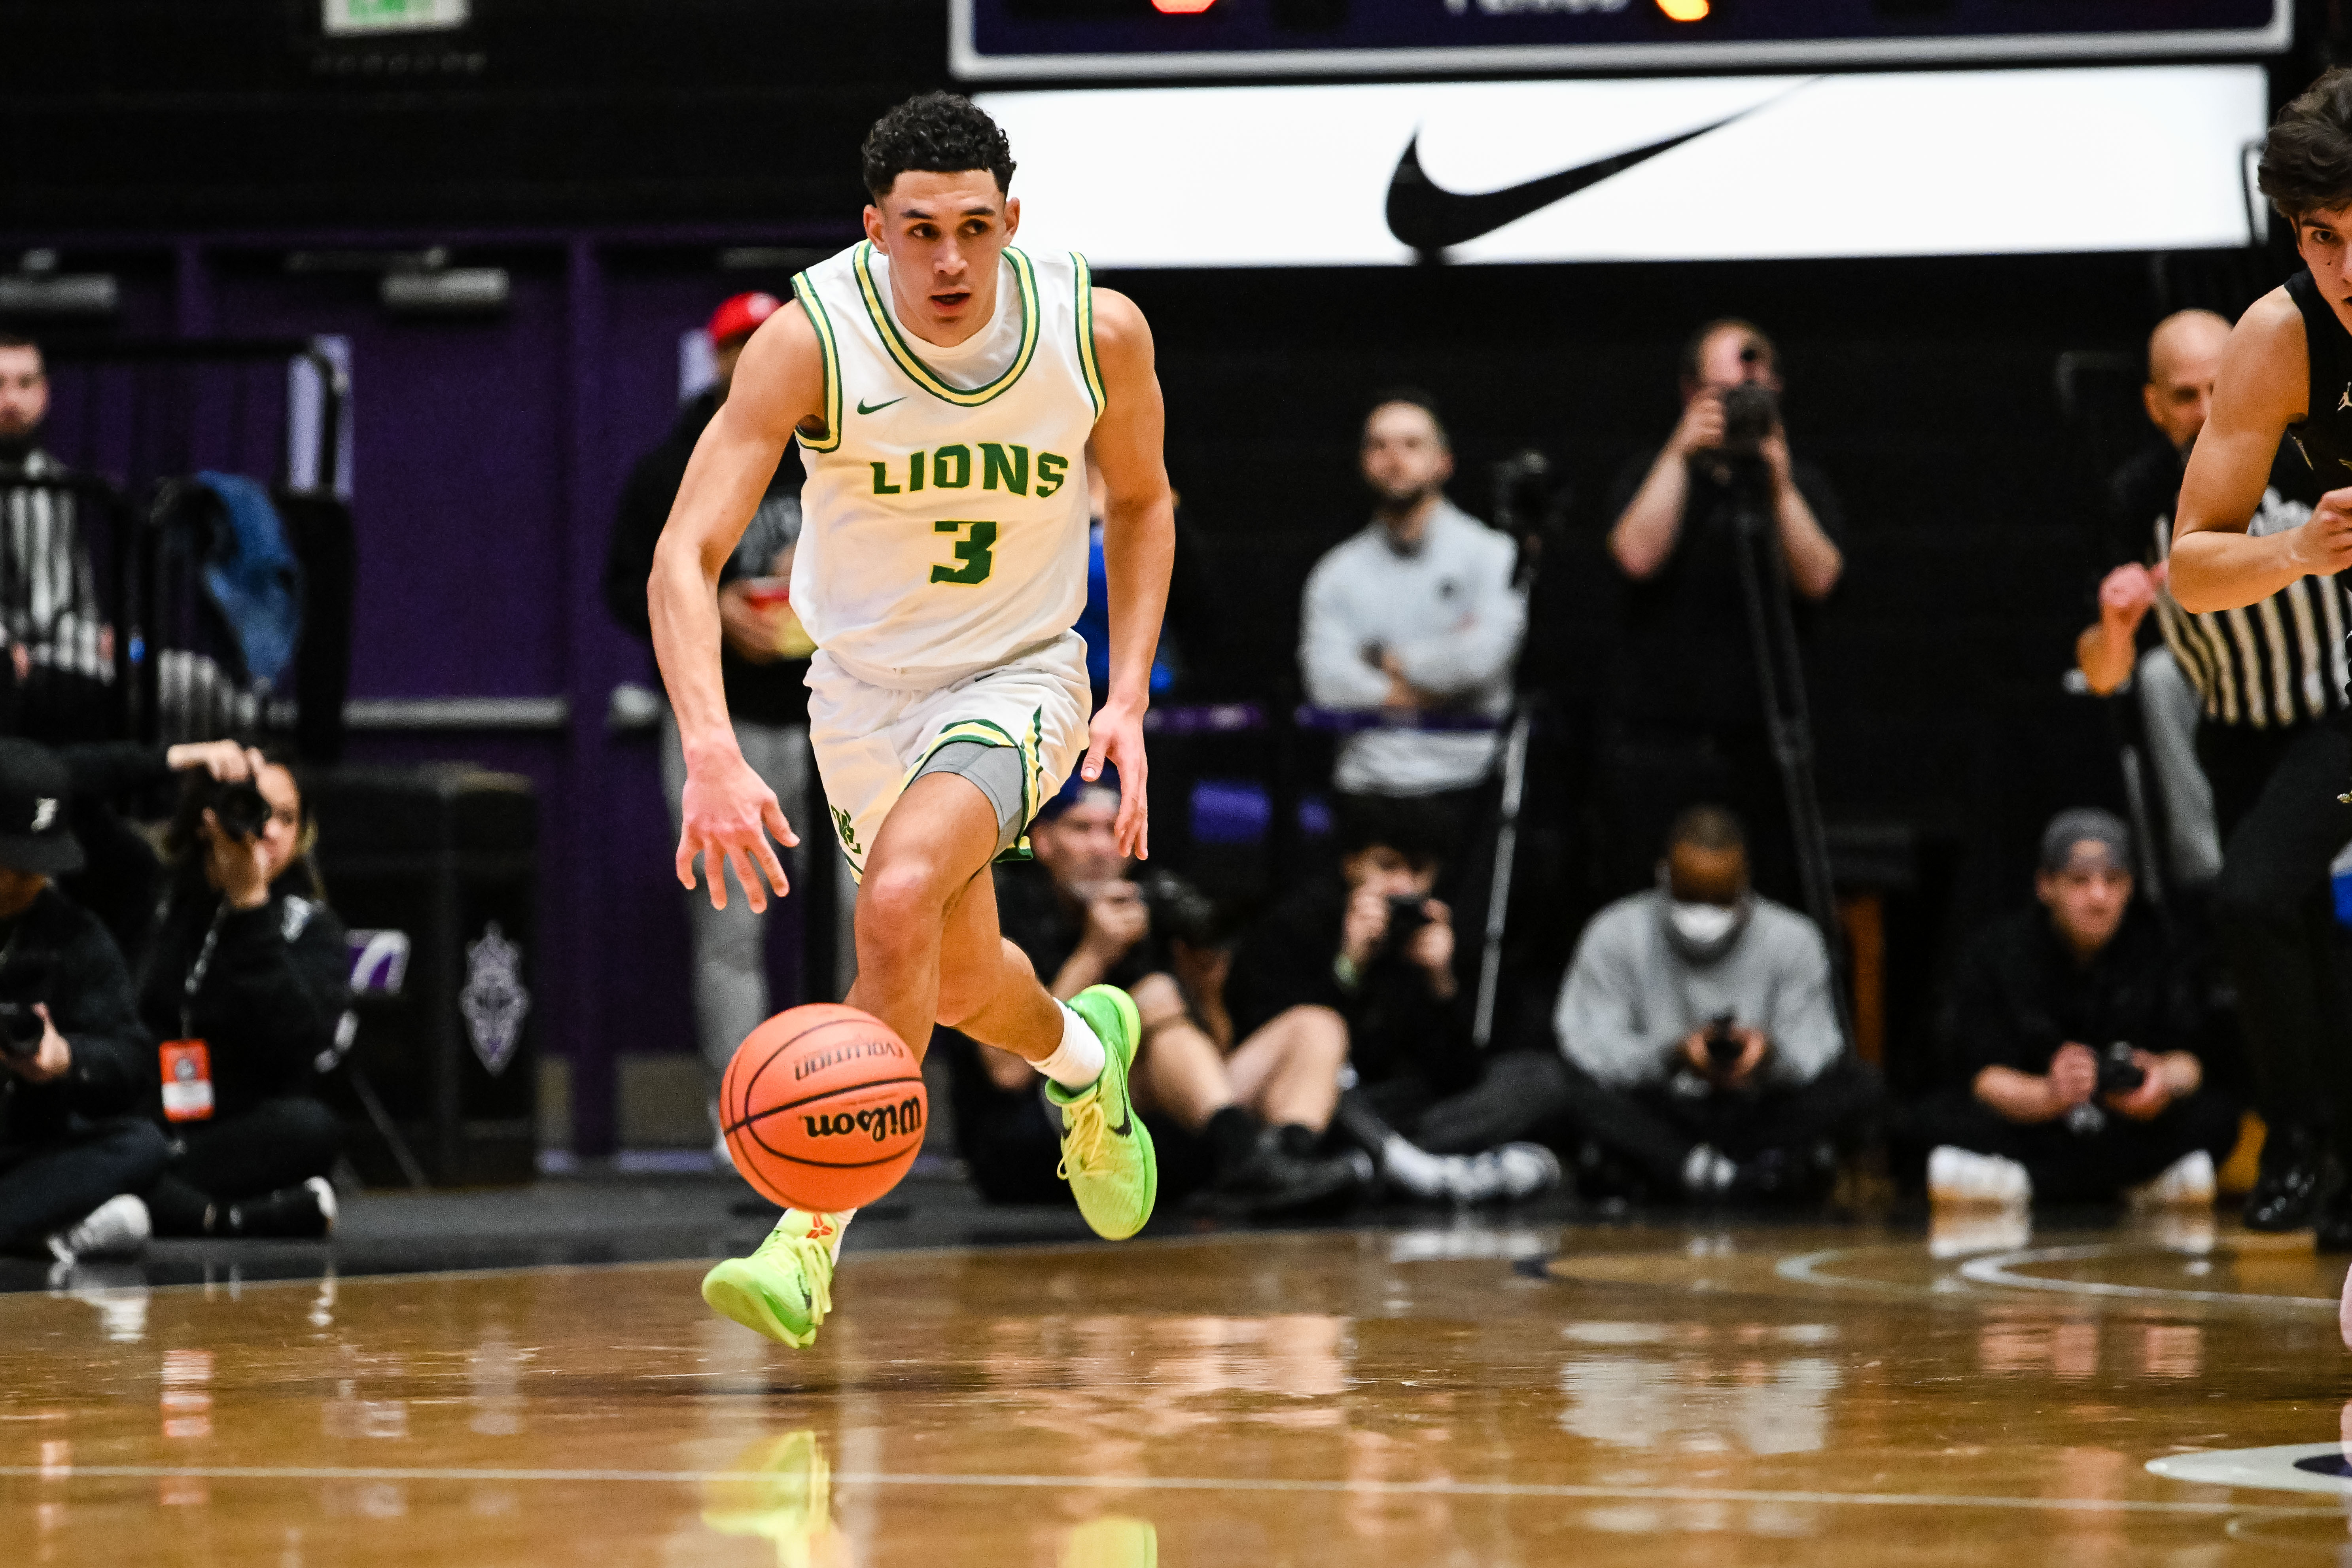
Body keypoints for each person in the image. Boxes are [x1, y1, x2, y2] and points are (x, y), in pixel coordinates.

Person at [650, 93, 1175, 1347]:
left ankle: (805, 1235)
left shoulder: (1093, 333)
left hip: (1018, 677)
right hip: (861, 696)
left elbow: (1145, 503)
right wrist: (712, 751)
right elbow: (685, 553)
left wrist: (1127, 693)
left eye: (975, 228)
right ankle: (1086, 1058)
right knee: (951, 985)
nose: (949, 260)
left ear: (1012, 221)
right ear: (874, 229)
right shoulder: (808, 340)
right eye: (921, 230)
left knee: (890, 902)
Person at [2168, 66, 2352, 1251]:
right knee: (2253, 893)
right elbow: (2190, 557)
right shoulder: (2278, 334)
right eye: (2320, 237)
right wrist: (2297, 549)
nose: (2345, 267)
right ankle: (2302, 1130)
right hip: (2320, 693)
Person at [604, 292, 831, 1156]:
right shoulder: (674, 462)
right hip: (721, 722)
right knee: (733, 929)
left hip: (836, 719)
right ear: (716, 355)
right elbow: (630, 584)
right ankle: (746, 1116)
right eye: (738, 344)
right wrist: (717, 604)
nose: (752, 358)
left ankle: (865, 1091)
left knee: (863, 915)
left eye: (766, 342)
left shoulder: (833, 452)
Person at [947, 777, 1367, 1215]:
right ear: (1044, 840)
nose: (1099, 847)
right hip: (1034, 1139)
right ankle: (1252, 1161)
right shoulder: (1004, 911)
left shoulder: (1151, 908)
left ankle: (1286, 1164)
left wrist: (1206, 992)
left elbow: (1207, 1069)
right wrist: (1092, 955)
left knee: (1317, 1026)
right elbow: (1008, 1072)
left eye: (1112, 829)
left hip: (1164, 1132)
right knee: (1151, 997)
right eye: (1081, 828)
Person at [1599, 320, 1845, 902]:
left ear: (1776, 392)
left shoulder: (1799, 483)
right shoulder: (1649, 473)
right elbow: (1634, 556)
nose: (1737, 409)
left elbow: (1820, 578)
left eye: (1750, 394)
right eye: (1722, 395)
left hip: (1763, 752)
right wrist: (1681, 452)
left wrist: (1779, 486)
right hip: (1660, 752)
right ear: (1690, 394)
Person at [1919, 810, 2239, 1208]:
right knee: (1933, 1119)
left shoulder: (2160, 947)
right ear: (2045, 885)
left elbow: (2190, 1062)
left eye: (2114, 880)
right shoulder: (1996, 954)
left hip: (2127, 1124)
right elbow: (1982, 1075)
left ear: (2131, 886)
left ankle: (2028, 1184)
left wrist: (2156, 1078)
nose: (2098, 897)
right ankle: (2131, 1184)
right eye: (2079, 881)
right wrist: (2049, 1094)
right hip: (2036, 1122)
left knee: (2217, 1114)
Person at [2074, 310, 2254, 889]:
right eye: (2184, 396)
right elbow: (2102, 674)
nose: (2205, 411)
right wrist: (2116, 625)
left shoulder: (2311, 457)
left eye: (2218, 386)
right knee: (2155, 676)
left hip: (2320, 686)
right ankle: (2204, 879)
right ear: (2153, 407)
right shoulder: (2135, 496)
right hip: (2216, 680)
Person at [1298, 392, 1525, 848]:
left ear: (1444, 462)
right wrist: (1425, 688)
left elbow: (1481, 662)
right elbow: (1327, 683)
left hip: (1468, 781)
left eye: (1410, 444)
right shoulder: (1335, 574)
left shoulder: (1493, 556)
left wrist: (1385, 661)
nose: (1393, 459)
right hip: (1368, 784)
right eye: (1378, 446)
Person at [135, 757, 349, 1238]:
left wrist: (251, 907)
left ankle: (144, 1195)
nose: (269, 830)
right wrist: (176, 756)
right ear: (210, 818)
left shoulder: (310, 925)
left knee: (312, 1129)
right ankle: (233, 1217)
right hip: (153, 1118)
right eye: (253, 809)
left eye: (287, 818)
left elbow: (300, 1043)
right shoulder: (165, 901)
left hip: (238, 1128)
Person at [0, 738, 165, 1264]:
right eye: (16, 864)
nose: (31, 880)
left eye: (40, 866)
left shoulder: (75, 934)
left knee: (141, 1144)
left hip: (26, 1147)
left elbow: (132, 1059)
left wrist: (64, 1058)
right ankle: (40, 1226)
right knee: (128, 1217)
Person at [0, 331, 114, 743]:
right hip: (9, 651)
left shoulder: (58, 483)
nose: (11, 400)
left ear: (44, 393)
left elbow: (70, 588)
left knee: (191, 683)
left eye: (25, 383)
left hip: (60, 642)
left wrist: (99, 632)